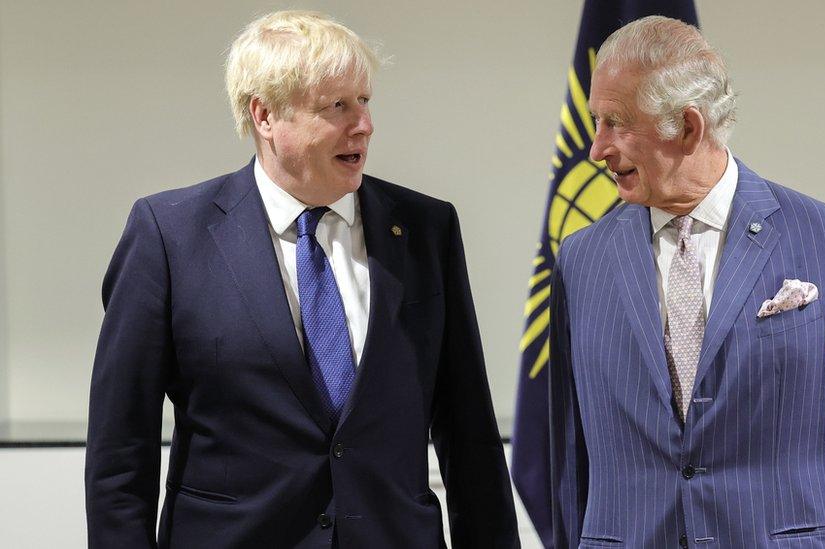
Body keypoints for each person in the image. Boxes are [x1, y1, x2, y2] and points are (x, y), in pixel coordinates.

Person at [85, 10, 518, 548]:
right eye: (336, 106)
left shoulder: (427, 229)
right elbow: (121, 450)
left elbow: (469, 430)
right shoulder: (170, 236)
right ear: (265, 116)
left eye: (364, 101)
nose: (363, 124)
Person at [548, 16, 825, 548]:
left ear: (689, 127)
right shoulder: (581, 260)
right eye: (595, 121)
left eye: (616, 124)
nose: (597, 149)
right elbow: (569, 461)